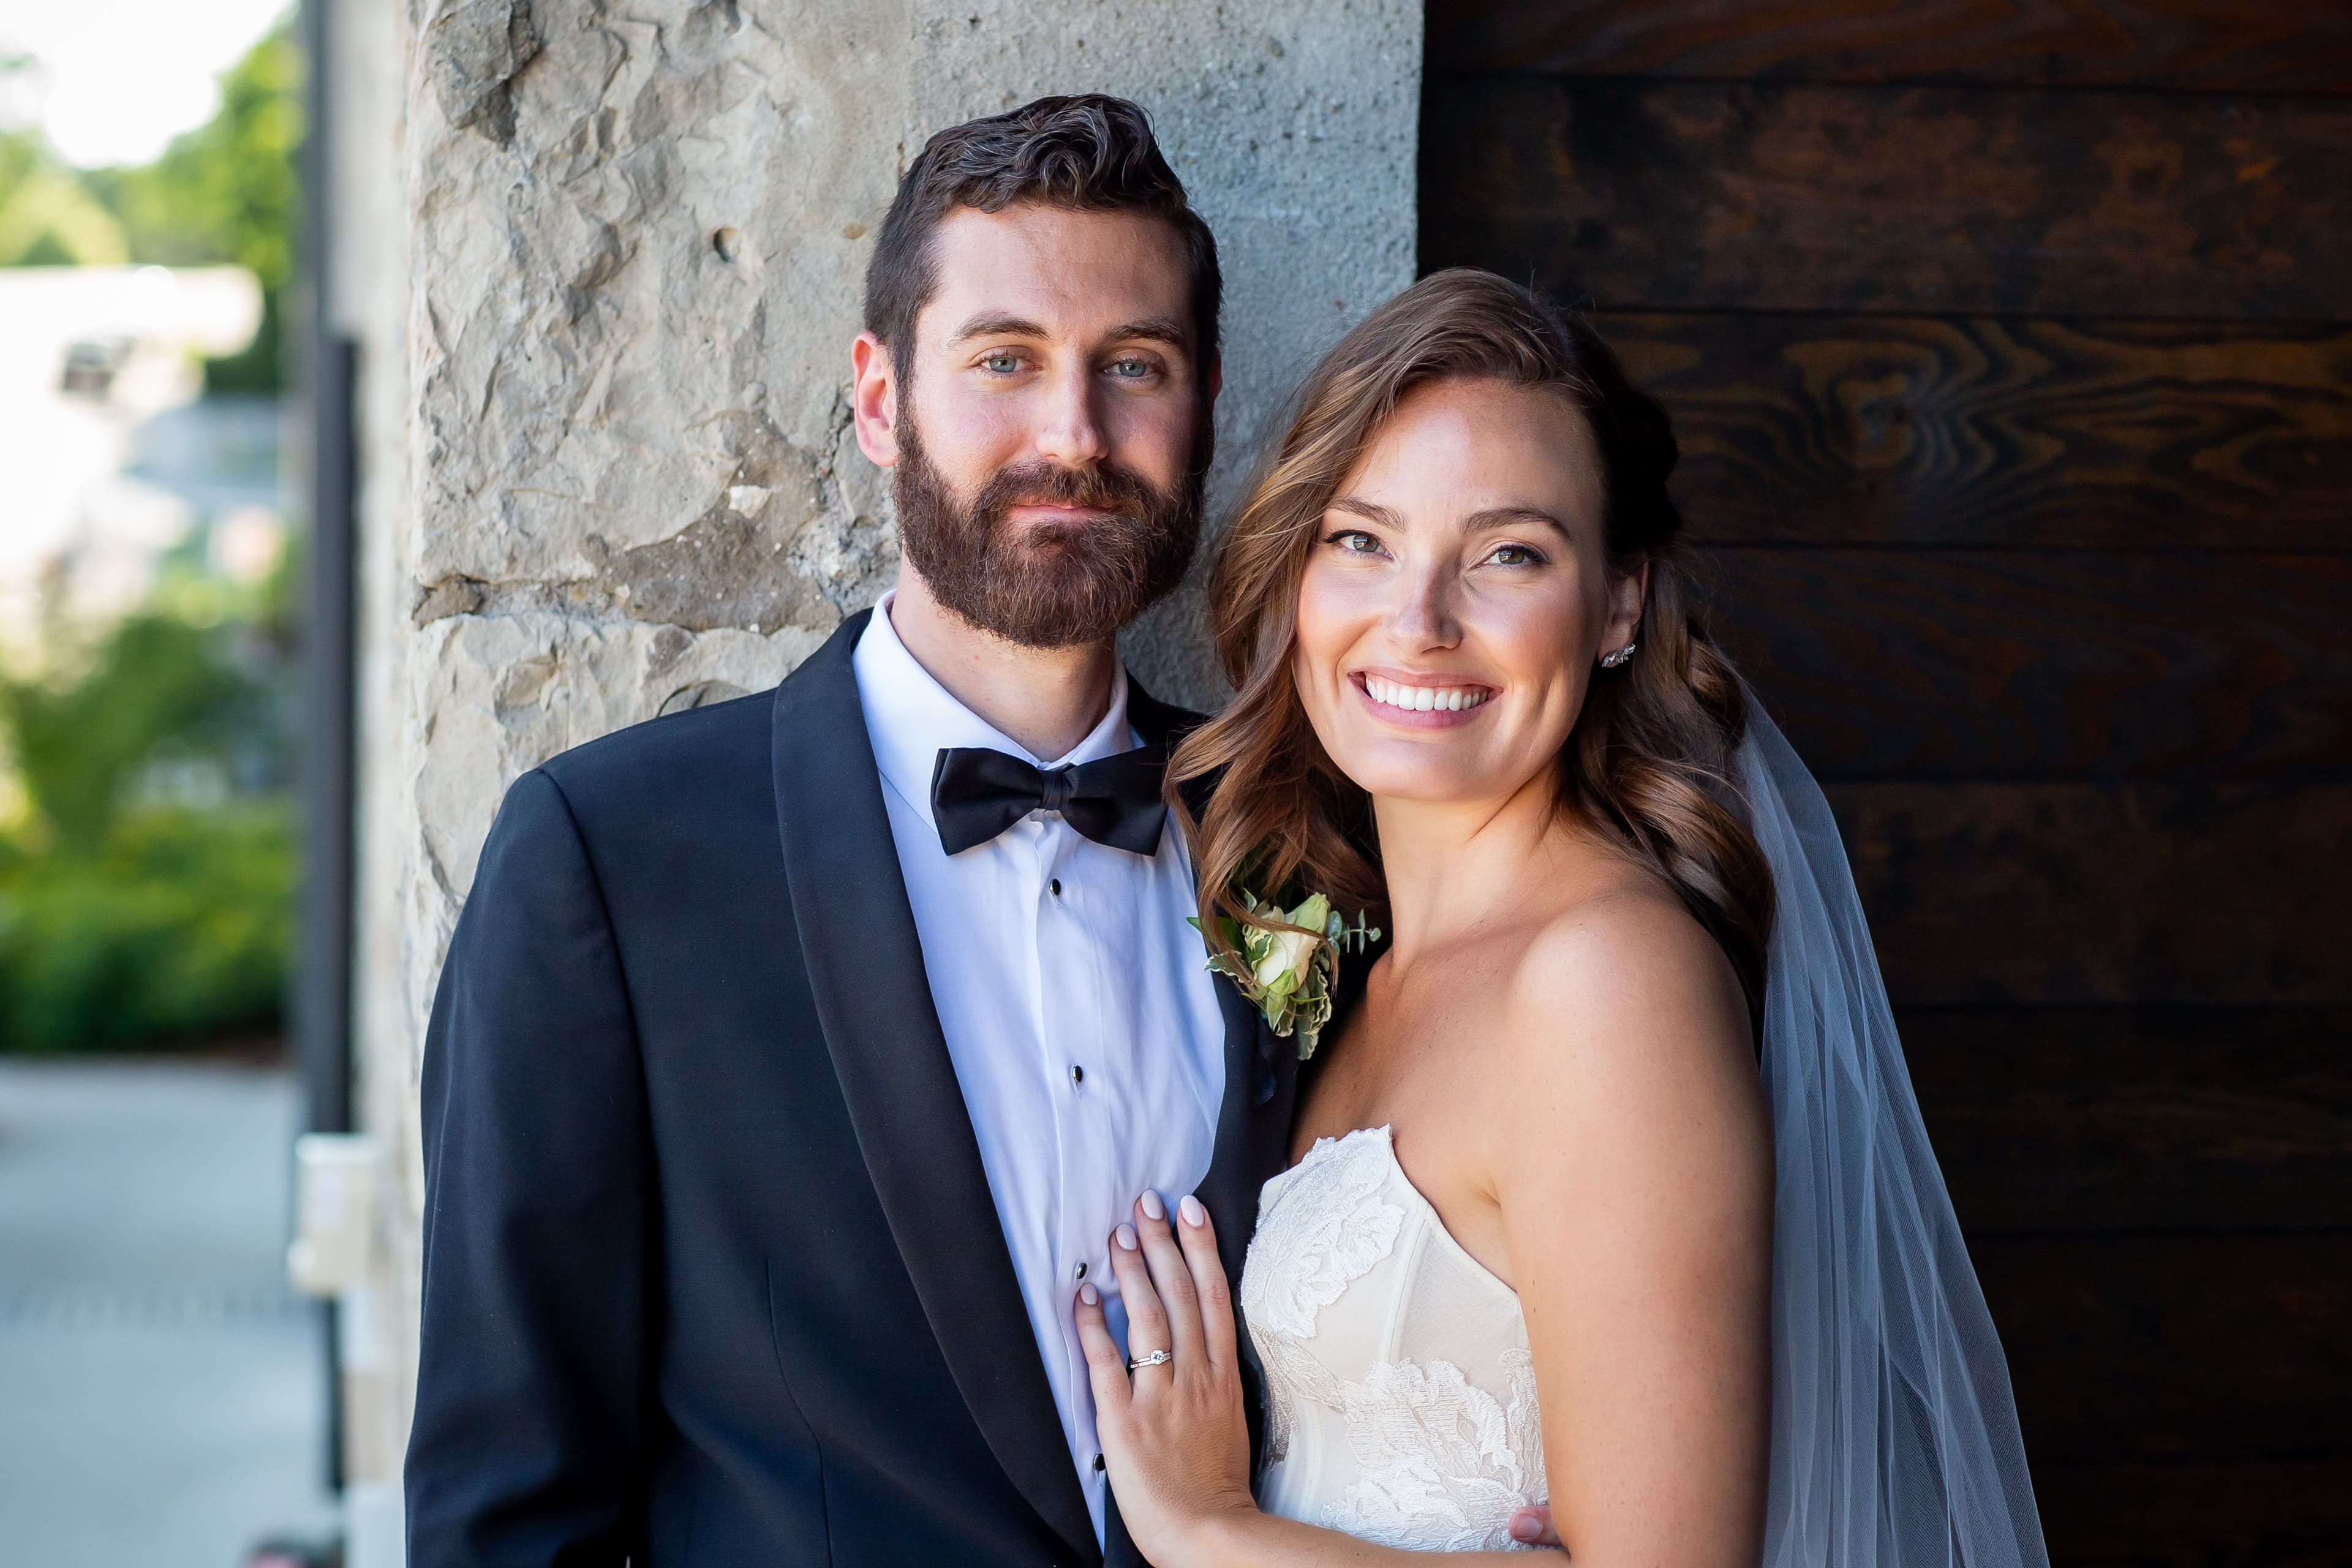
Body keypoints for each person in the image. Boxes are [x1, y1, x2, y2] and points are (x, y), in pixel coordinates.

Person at [404, 95, 1291, 1567]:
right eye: (1003, 361)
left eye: (1132, 367)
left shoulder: (1298, 836)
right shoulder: (609, 862)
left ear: (1200, 403)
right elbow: (505, 1514)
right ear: (880, 400)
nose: (1072, 433)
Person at [1070, 270, 2051, 1566]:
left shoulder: (1607, 980)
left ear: (1620, 605)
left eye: (1508, 555)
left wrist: (1203, 1526)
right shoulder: (1355, 959)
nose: (1416, 623)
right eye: (1361, 539)